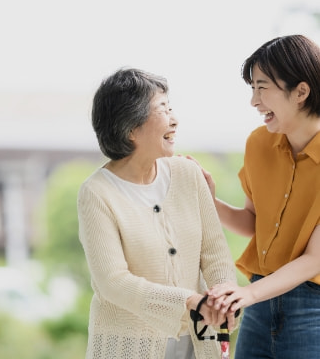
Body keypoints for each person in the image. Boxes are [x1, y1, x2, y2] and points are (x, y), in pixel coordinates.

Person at [77, 67, 238, 359]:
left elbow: (215, 253)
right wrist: (188, 301)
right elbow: (112, 281)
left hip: (198, 342)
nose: (175, 120)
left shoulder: (189, 174)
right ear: (130, 128)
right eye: (163, 109)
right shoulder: (97, 193)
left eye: (171, 107)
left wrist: (223, 296)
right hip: (127, 348)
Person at [196, 35, 320, 358]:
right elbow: (254, 223)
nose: (254, 101)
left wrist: (247, 294)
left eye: (262, 88)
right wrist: (210, 201)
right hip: (257, 301)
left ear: (301, 92)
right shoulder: (258, 144)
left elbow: (315, 259)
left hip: (312, 309)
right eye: (252, 89)